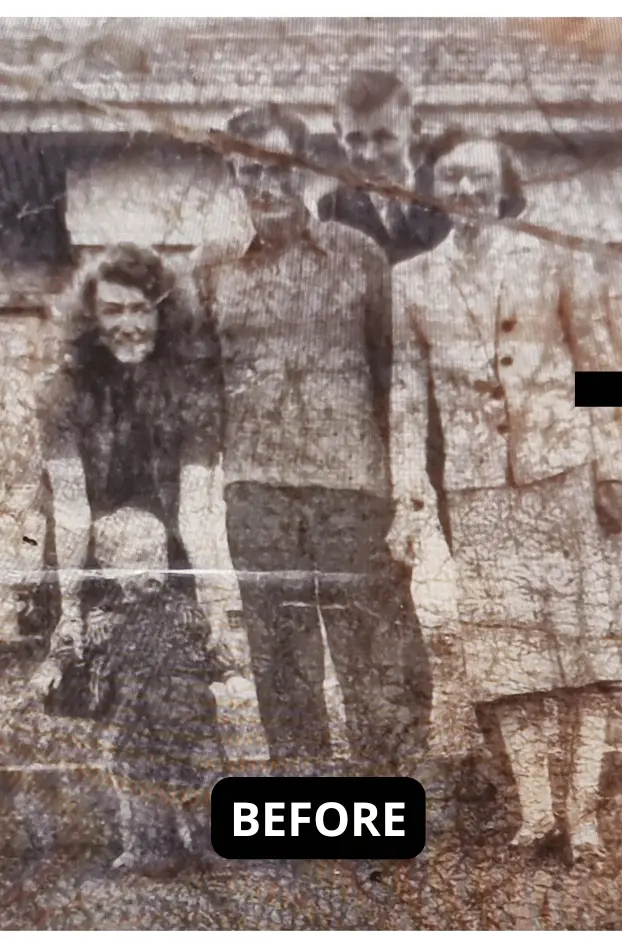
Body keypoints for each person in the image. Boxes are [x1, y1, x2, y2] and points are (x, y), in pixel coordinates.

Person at [389, 138, 622, 855]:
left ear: (504, 185)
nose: (466, 188)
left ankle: (581, 813)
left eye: (480, 176)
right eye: (451, 176)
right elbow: (405, 397)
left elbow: (603, 360)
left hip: (563, 474)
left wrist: (615, 462)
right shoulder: (411, 280)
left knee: (580, 652)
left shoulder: (552, 255)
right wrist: (410, 493)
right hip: (479, 487)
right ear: (432, 186)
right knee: (509, 656)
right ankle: (536, 812)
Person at [199, 103, 431, 778]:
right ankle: (301, 800)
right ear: (234, 177)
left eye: (276, 169)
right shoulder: (212, 268)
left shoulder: (358, 257)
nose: (263, 185)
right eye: (247, 172)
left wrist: (404, 486)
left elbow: (395, 375)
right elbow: (198, 380)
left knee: (366, 653)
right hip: (255, 488)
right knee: (279, 655)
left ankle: (380, 803)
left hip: (351, 486)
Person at [33, 243, 242, 715]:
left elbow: (198, 504)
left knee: (176, 681)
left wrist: (215, 603)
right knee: (86, 695)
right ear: (91, 320)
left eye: (140, 309)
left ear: (163, 314)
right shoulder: (62, 391)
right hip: (85, 544)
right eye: (112, 310)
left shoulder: (193, 389)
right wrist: (69, 608)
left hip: (166, 549)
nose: (127, 324)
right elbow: (69, 506)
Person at [29, 506, 226, 874]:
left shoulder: (182, 611)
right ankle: (151, 849)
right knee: (139, 785)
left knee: (203, 780)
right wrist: (52, 666)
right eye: (137, 559)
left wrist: (226, 669)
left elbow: (210, 649)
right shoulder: (102, 618)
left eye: (158, 558)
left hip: (188, 718)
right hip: (132, 723)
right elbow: (72, 647)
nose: (152, 569)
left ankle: (212, 844)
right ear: (107, 568)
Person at [318, 69, 451, 265]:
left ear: (415, 128)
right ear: (338, 135)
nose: (370, 154)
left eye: (384, 137)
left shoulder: (449, 201)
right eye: (355, 139)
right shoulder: (331, 214)